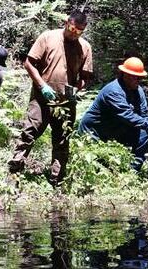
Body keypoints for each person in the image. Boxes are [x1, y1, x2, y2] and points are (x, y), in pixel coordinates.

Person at [9, 10, 93, 183]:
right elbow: (29, 63)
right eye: (72, 29)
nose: (74, 33)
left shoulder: (84, 47)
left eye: (79, 31)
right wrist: (42, 85)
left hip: (65, 103)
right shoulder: (48, 37)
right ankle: (14, 173)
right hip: (41, 98)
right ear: (66, 22)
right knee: (29, 133)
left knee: (62, 140)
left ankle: (56, 179)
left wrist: (77, 90)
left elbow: (85, 78)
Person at [78, 56, 148, 168]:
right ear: (125, 75)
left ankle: (132, 170)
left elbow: (143, 114)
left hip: (116, 128)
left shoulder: (138, 91)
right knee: (97, 164)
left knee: (145, 133)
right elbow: (127, 115)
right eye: (135, 77)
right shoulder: (113, 91)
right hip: (95, 133)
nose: (138, 81)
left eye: (140, 78)